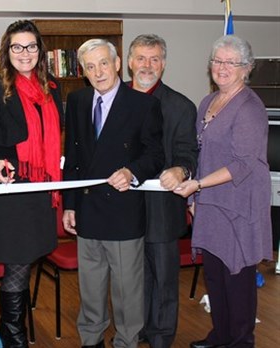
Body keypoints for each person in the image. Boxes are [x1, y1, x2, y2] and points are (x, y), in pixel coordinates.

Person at [62, 38, 164, 348]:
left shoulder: (143, 104)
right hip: (88, 209)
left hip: (123, 211)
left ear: (118, 64)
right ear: (84, 72)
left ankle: (126, 341)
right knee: (90, 288)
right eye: (90, 67)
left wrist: (132, 172)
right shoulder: (78, 101)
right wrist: (69, 205)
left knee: (127, 291)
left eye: (104, 63)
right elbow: (73, 157)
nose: (98, 72)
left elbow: (155, 155)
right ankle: (91, 340)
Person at [174, 35, 272, 348]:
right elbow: (200, 154)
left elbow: (243, 164)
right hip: (211, 202)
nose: (222, 67)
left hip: (239, 205)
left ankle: (241, 340)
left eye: (231, 62)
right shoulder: (208, 102)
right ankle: (221, 335)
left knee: (237, 278)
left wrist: (199, 186)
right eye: (217, 60)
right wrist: (194, 198)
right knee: (215, 275)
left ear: (247, 69)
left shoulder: (249, 108)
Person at [0, 20, 62, 347]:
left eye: (31, 46)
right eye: (17, 47)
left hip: (38, 190)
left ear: (40, 50)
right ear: (6, 51)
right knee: (18, 264)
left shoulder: (51, 88)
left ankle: (10, 330)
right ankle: (13, 334)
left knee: (24, 262)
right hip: (8, 192)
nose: (25, 53)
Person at [126, 34, 198, 348]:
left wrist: (180, 170)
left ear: (164, 64)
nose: (147, 65)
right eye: (141, 58)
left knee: (164, 280)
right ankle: (135, 328)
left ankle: (161, 338)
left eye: (155, 59)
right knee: (130, 278)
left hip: (162, 208)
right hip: (121, 208)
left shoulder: (181, 106)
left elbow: (187, 153)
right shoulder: (111, 100)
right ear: (129, 62)